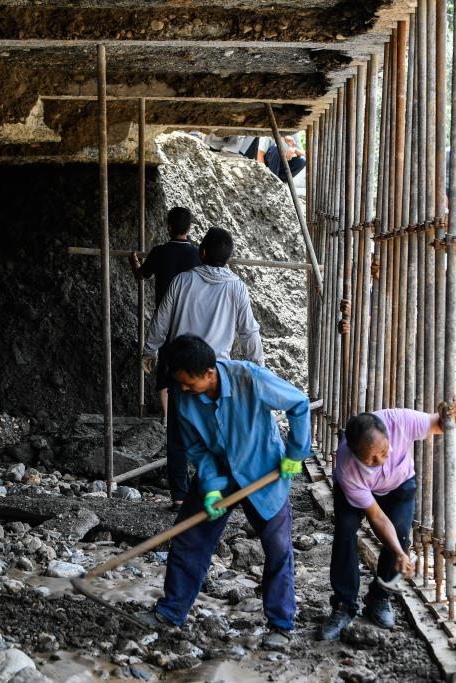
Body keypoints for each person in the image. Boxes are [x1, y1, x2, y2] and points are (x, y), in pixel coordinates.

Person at [149, 335, 310, 648]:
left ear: (210, 373)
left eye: (188, 383)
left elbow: (298, 403)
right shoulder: (184, 395)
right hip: (220, 474)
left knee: (278, 547)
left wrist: (295, 452)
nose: (183, 390)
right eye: (179, 383)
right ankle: (170, 612)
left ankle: (280, 623)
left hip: (263, 471)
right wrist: (210, 488)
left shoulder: (249, 377)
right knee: (189, 538)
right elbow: (197, 448)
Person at [143, 227, 264, 510]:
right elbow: (249, 333)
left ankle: (180, 495)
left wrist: (149, 350)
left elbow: (161, 321)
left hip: (183, 371)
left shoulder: (182, 281)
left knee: (177, 434)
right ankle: (211, 492)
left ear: (202, 253)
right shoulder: (236, 287)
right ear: (229, 257)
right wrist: (258, 366)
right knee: (215, 435)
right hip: (215, 376)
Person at [319, 403, 456, 641]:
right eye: (371, 459)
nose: (380, 460)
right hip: (358, 492)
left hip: (399, 483)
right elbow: (376, 518)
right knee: (345, 533)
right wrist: (398, 552)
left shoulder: (401, 421)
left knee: (402, 534)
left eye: (384, 451)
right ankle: (344, 605)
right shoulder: (347, 468)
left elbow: (438, 423)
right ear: (354, 452)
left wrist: (449, 415)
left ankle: (380, 596)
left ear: (388, 434)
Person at [130, 207, 203, 422]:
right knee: (190, 361)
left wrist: (133, 262)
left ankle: (167, 416)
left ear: (168, 227)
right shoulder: (198, 254)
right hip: (191, 317)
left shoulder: (159, 252)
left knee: (165, 364)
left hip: (165, 316)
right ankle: (190, 414)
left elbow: (141, 275)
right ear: (189, 228)